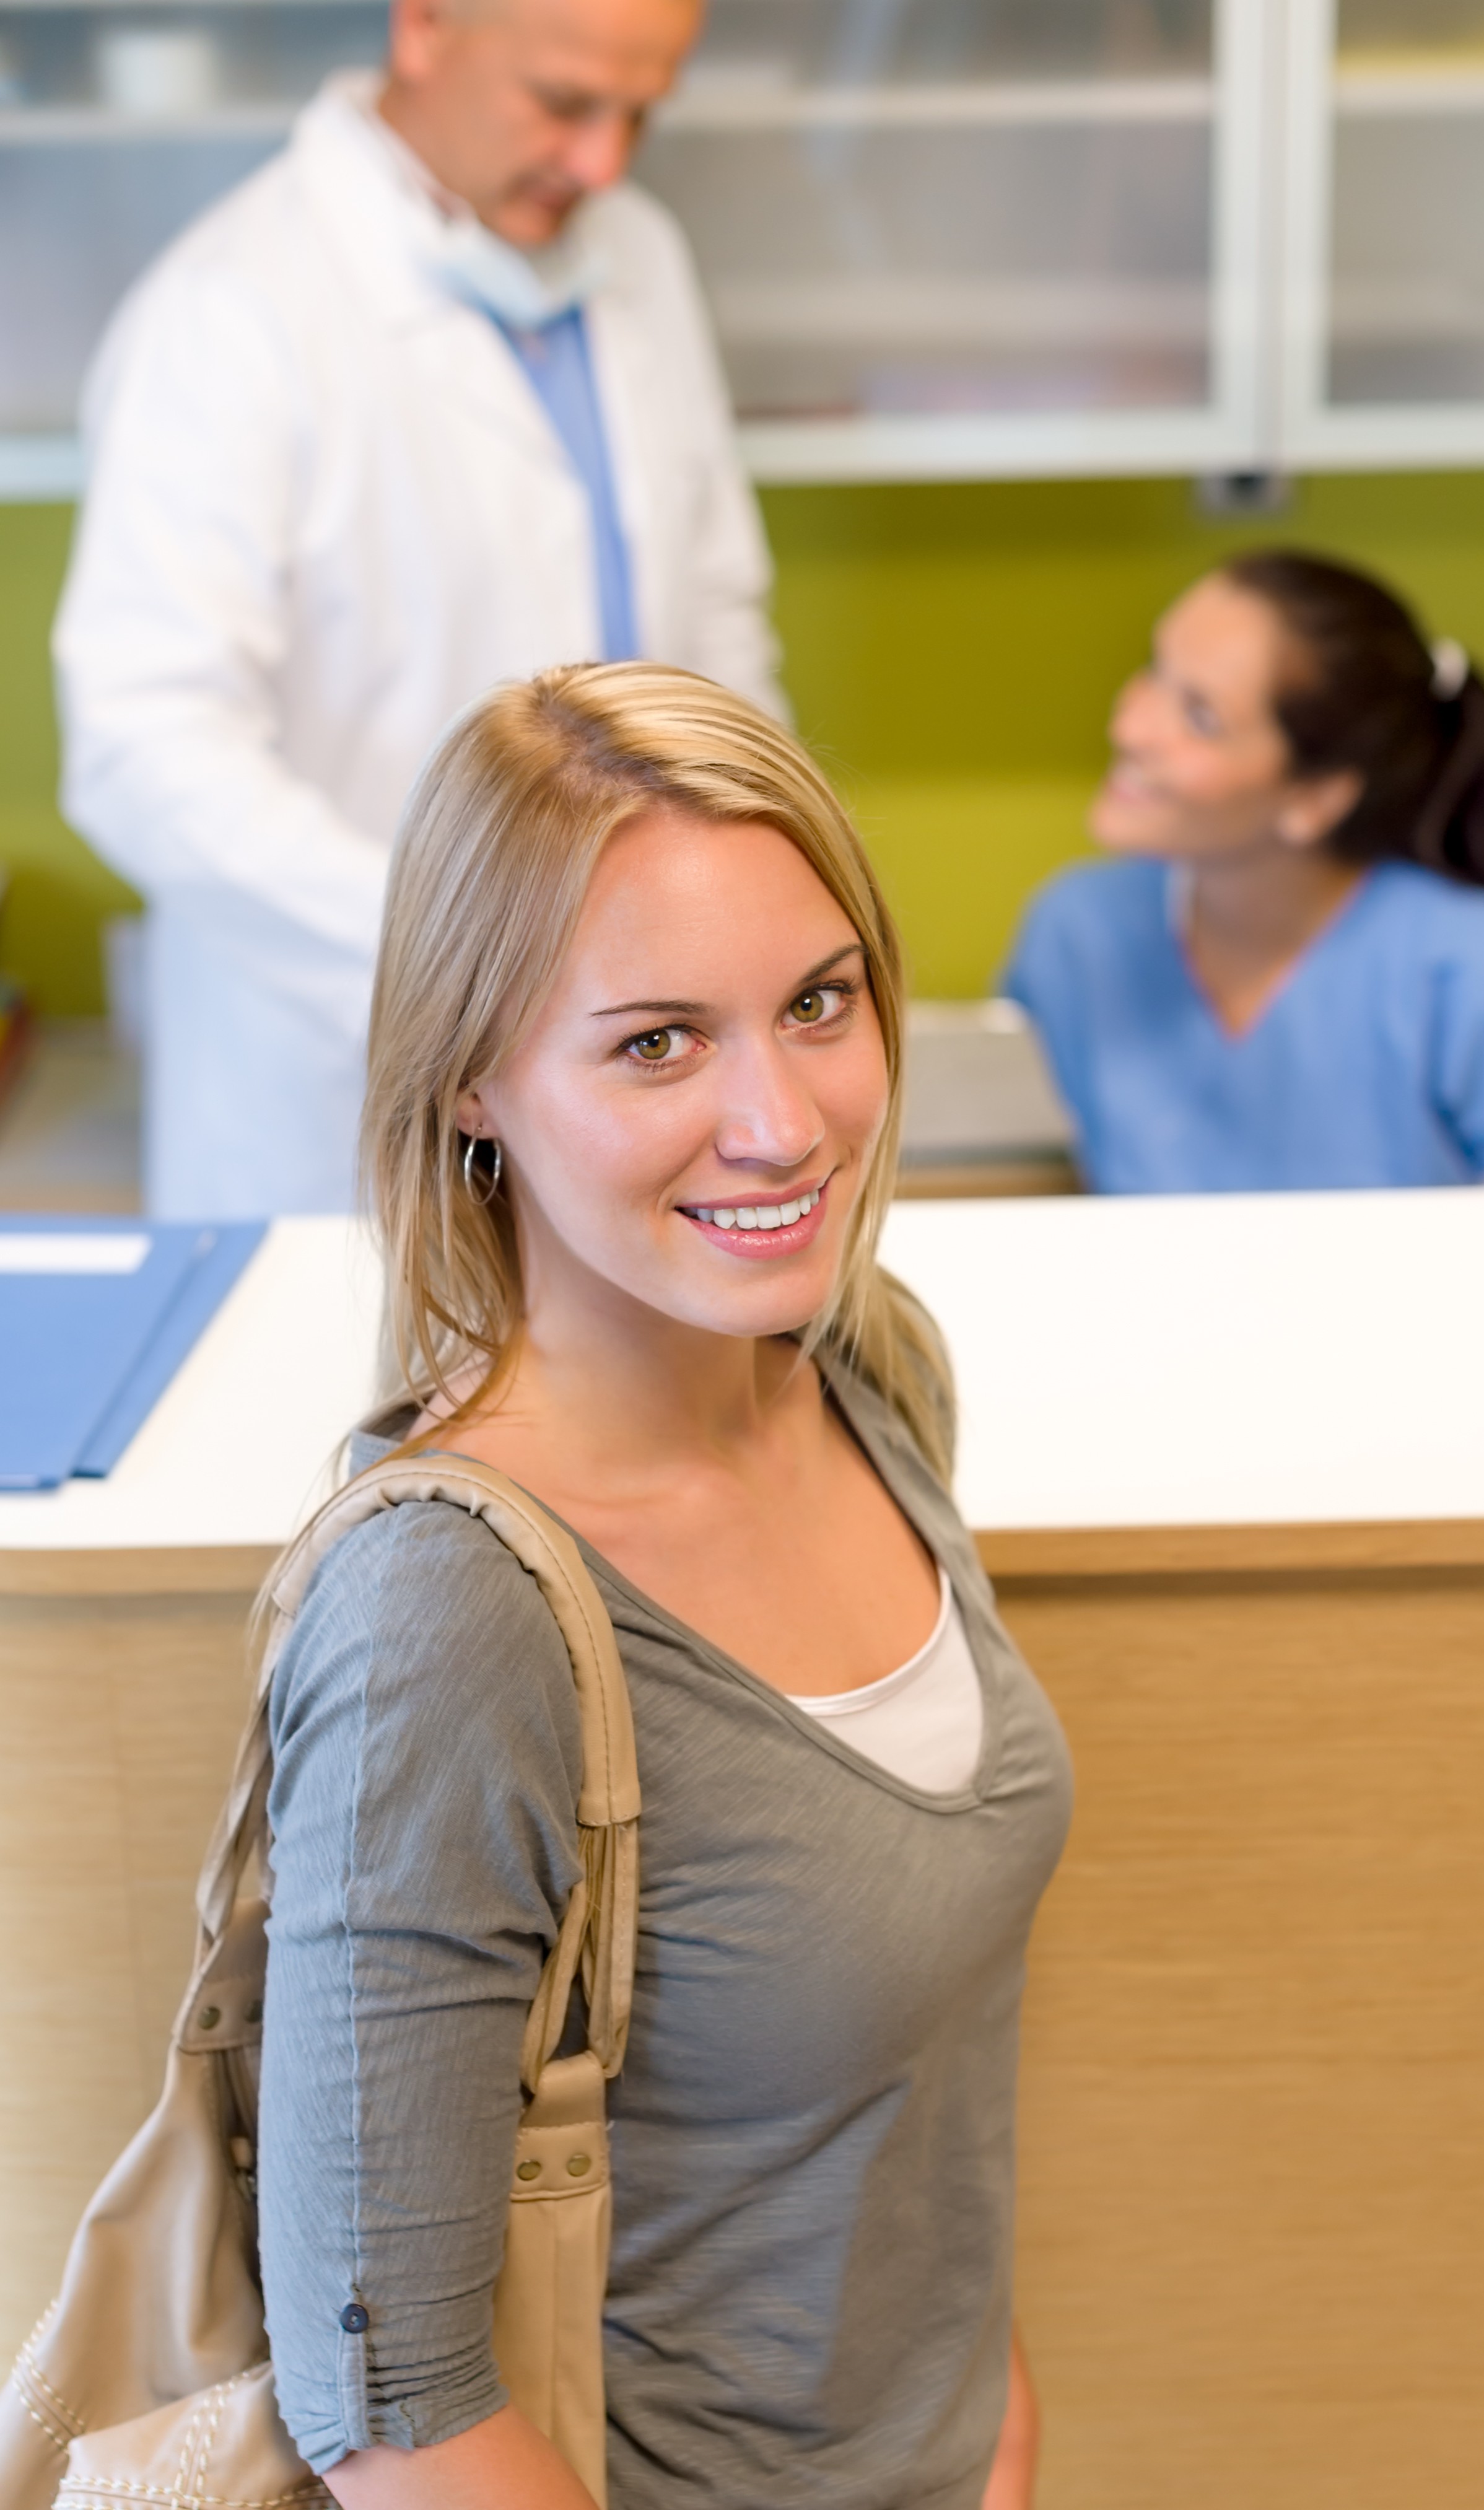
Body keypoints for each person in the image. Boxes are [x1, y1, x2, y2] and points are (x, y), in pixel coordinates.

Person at [258, 662, 1072, 2509]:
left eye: (816, 1002)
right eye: (654, 1043)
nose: (783, 1126)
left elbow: (915, 2088)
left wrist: (996, 2438)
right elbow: (391, 2407)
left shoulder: (866, 1370)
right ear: (473, 1082)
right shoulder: (443, 1617)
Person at [53, 0, 783, 1222]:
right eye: (562, 104)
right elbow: (144, 747)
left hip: (643, 1056)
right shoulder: (232, 310)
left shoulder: (637, 255)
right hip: (342, 1096)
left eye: (640, 112)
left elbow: (715, 618)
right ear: (427, 25)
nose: (601, 162)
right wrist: (468, 960)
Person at [1002, 551, 1484, 1194]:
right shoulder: (1076, 931)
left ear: (1316, 797)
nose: (1131, 726)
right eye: (1153, 669)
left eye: (1200, 716)